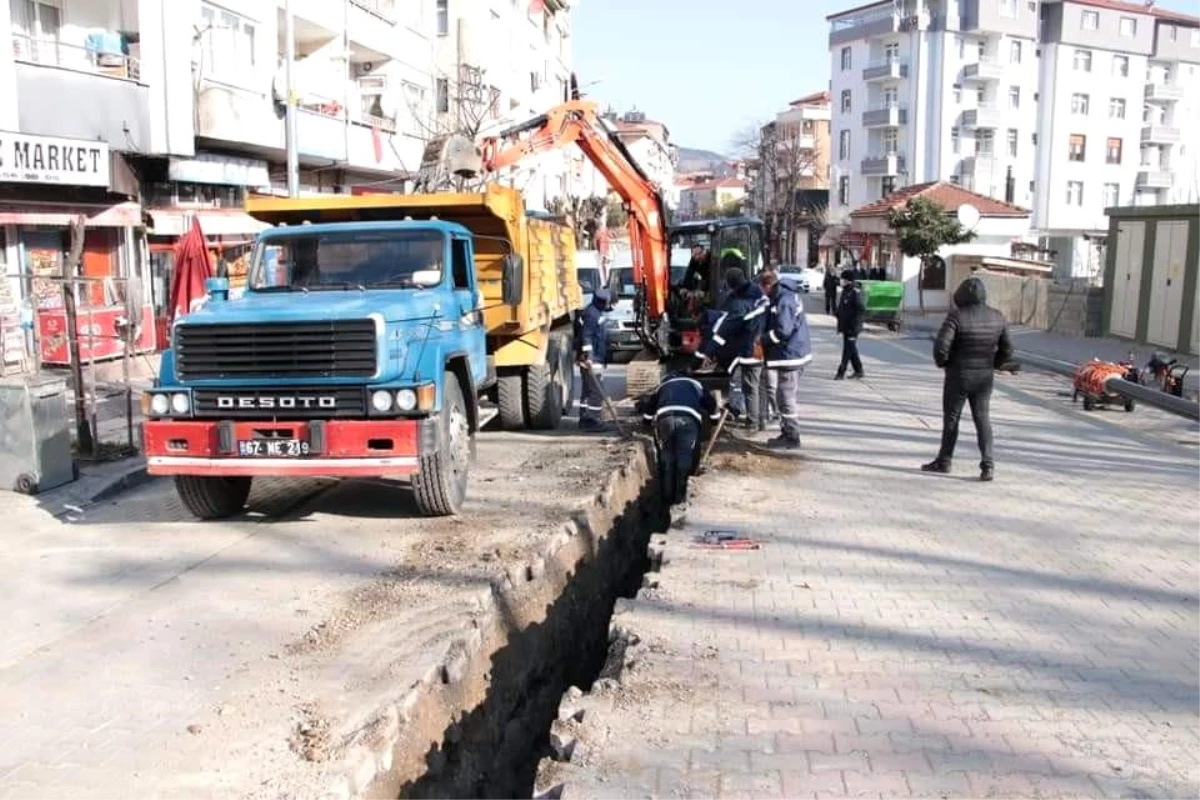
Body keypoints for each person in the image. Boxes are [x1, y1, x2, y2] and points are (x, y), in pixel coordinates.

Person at [923, 277, 1013, 482]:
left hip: (958, 376)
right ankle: (988, 465)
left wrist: (945, 363)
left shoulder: (956, 317)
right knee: (982, 419)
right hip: (984, 377)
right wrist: (995, 363)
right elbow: (1008, 349)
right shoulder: (997, 317)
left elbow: (940, 348)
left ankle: (944, 461)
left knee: (952, 418)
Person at [635, 371, 720, 505]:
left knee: (667, 453)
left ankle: (666, 496)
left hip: (665, 419)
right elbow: (711, 405)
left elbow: (649, 409)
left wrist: (646, 424)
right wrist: (715, 422)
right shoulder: (696, 384)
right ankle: (679, 498)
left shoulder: (663, 386)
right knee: (684, 454)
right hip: (688, 420)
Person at [698, 265, 767, 428]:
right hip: (762, 346)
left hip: (751, 349)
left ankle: (752, 422)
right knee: (758, 384)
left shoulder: (738, 303)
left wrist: (708, 352)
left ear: (730, 283)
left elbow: (725, 329)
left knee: (750, 386)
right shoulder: (757, 293)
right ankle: (760, 418)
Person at [758, 269, 813, 449]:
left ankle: (792, 436)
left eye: (762, 288)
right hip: (791, 353)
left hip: (790, 355)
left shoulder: (783, 301)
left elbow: (783, 330)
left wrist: (764, 339)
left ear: (767, 286)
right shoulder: (783, 296)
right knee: (784, 396)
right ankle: (787, 432)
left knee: (785, 397)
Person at [576, 287, 612, 432]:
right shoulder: (592, 314)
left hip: (595, 357)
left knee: (587, 390)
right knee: (596, 392)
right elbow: (587, 335)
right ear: (602, 302)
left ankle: (584, 418)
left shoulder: (594, 310)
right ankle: (593, 420)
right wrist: (589, 356)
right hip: (593, 359)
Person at [835, 268, 866, 380]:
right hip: (845, 326)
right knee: (851, 348)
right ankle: (859, 370)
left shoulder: (855, 292)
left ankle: (841, 372)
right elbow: (843, 307)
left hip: (852, 327)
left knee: (847, 350)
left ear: (848, 280)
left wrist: (854, 325)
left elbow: (860, 310)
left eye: (842, 279)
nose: (841, 281)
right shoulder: (845, 290)